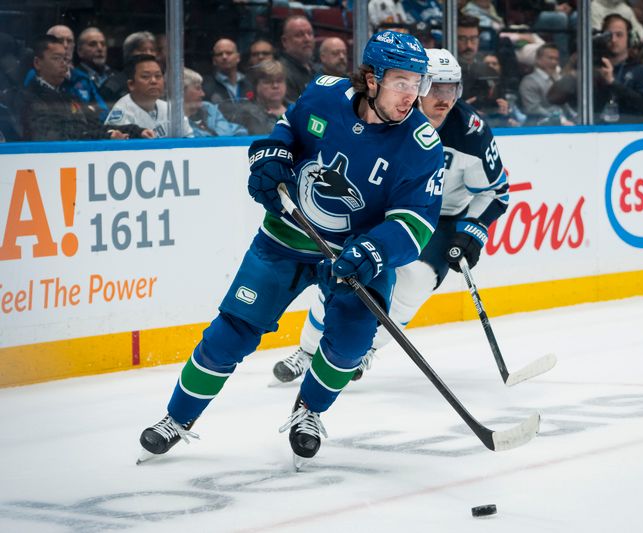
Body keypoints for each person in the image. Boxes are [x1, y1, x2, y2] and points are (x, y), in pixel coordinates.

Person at [138, 30, 444, 465]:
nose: (411, 95)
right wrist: (268, 158)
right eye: (401, 82)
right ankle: (177, 418)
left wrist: (373, 252)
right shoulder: (323, 95)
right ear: (371, 80)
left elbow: (415, 222)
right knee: (231, 331)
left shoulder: (421, 146)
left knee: (352, 345)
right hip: (285, 238)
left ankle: (309, 412)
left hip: (355, 256)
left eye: (418, 83)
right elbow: (284, 134)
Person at [273, 48, 508, 385]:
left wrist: (472, 231)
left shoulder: (470, 132)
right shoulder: (384, 118)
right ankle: (309, 350)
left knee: (416, 280)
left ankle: (365, 348)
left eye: (451, 89)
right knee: (347, 274)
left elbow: (495, 191)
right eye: (435, 88)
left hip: (437, 219)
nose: (443, 99)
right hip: (381, 207)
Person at [20, 35, 146, 141]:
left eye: (65, 59)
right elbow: (53, 136)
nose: (64, 64)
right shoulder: (28, 98)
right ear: (37, 63)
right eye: (57, 58)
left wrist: (136, 131)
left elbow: (95, 126)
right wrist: (104, 136)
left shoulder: (69, 96)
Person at [104, 54, 191, 137]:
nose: (154, 81)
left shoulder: (171, 109)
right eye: (145, 76)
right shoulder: (121, 112)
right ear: (131, 84)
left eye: (158, 76)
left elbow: (189, 138)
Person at [594, 13, 643, 124]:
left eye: (619, 35)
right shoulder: (594, 69)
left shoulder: (642, 71)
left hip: (631, 133)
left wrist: (612, 83)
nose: (614, 40)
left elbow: (642, 104)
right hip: (598, 133)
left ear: (629, 38)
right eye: (609, 35)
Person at [226, 59, 291, 135]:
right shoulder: (246, 114)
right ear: (256, 86)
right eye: (268, 82)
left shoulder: (297, 109)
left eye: (279, 81)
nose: (275, 86)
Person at [184, 68, 248, 137]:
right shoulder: (173, 121)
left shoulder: (208, 108)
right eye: (198, 88)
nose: (203, 94)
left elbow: (236, 131)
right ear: (181, 91)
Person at [73, 27, 128, 107]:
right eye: (93, 44)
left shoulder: (118, 76)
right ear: (80, 51)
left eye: (103, 44)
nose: (100, 48)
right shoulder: (74, 78)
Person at [518, 43, 562, 121]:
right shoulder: (529, 82)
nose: (554, 62)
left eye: (556, 59)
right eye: (550, 58)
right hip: (539, 128)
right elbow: (533, 109)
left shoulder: (558, 79)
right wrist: (560, 119)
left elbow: (565, 106)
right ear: (538, 59)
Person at [203, 38, 252, 105]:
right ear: (214, 60)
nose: (224, 57)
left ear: (238, 58)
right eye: (219, 54)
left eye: (229, 53)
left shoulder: (250, 83)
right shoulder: (205, 86)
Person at [279, 15, 316, 101]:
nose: (307, 39)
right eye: (299, 35)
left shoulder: (317, 70)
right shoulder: (281, 73)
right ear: (285, 41)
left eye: (310, 34)